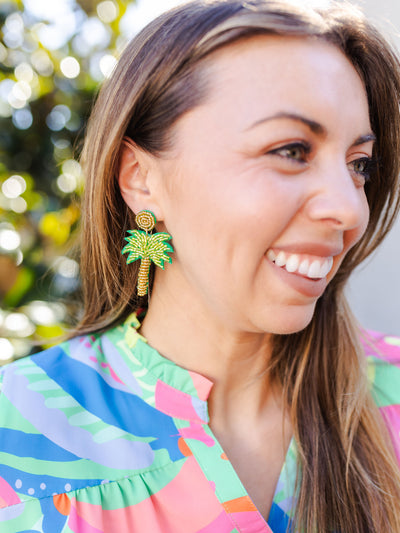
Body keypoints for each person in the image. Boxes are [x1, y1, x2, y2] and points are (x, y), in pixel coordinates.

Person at [1, 0, 400, 531]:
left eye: (359, 165)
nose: (350, 208)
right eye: (290, 150)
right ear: (142, 178)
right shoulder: (16, 433)